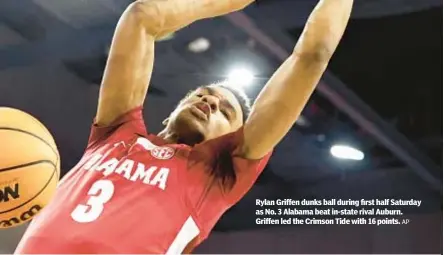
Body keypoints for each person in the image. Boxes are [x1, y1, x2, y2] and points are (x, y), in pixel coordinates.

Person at [15, 0, 353, 253]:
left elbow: (313, 54)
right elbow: (141, 17)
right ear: (171, 112)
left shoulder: (216, 177)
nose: (209, 102)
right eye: (202, 94)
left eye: (225, 111)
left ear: (232, 142)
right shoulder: (114, 134)